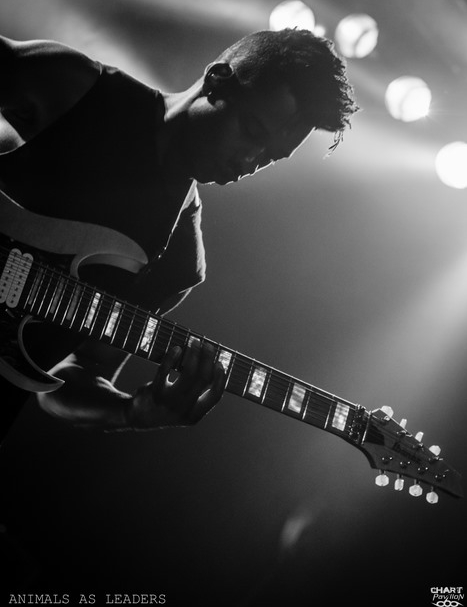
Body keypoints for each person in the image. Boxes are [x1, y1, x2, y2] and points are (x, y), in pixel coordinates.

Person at [0, 28, 358, 436]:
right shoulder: (78, 90)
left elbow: (71, 375)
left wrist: (132, 411)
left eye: (271, 157)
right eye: (252, 131)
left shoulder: (179, 259)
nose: (249, 161)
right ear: (217, 79)